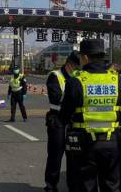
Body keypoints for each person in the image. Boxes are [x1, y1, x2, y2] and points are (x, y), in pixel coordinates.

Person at [60, 39, 121, 192]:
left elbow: (64, 116)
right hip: (112, 142)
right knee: (111, 186)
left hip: (84, 144)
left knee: (85, 185)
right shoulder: (117, 80)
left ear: (85, 58)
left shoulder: (76, 81)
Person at [44, 51, 80, 192]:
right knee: (55, 155)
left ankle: (72, 186)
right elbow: (56, 98)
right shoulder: (55, 76)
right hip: (57, 120)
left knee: (74, 156)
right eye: (77, 67)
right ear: (70, 65)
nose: (78, 70)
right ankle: (51, 186)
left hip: (73, 121)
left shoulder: (77, 77)